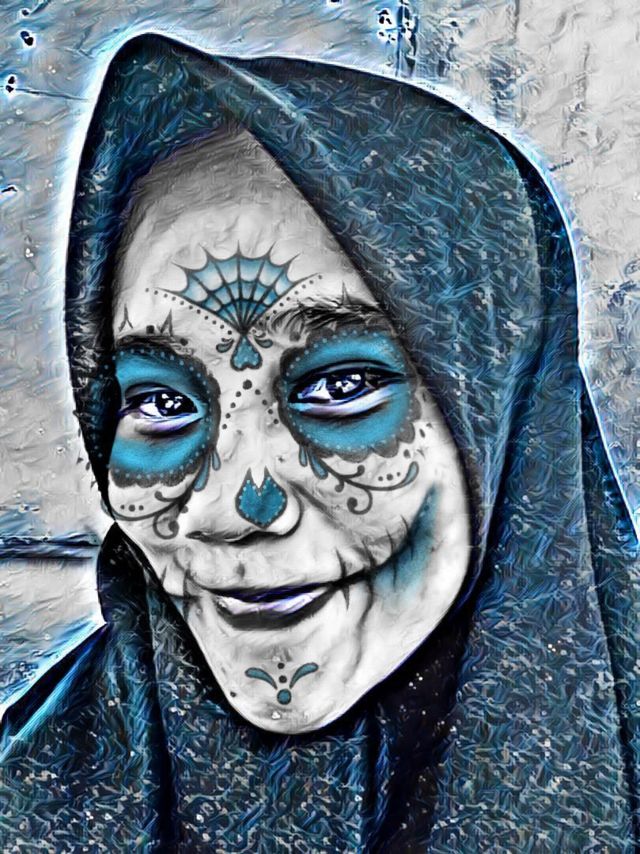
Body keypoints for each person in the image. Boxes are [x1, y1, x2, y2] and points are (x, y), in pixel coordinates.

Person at [0, 34, 637, 851]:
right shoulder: (34, 795)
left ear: (502, 412)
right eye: (159, 401)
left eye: (340, 387)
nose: (236, 507)